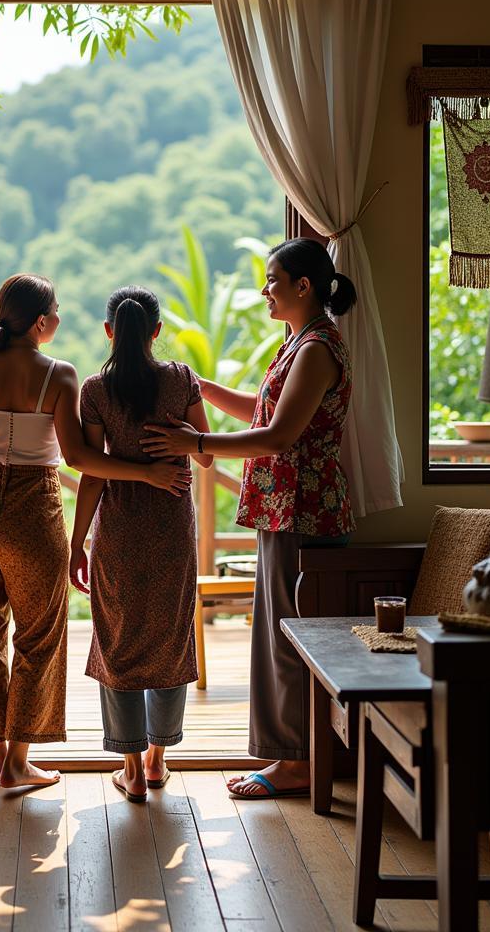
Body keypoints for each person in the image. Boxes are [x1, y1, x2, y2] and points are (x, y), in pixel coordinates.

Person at [0, 273, 193, 790]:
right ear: (40, 323)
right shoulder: (60, 375)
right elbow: (82, 459)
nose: (59, 318)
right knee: (38, 638)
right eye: (55, 311)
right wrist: (149, 470)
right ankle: (18, 760)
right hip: (33, 510)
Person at [140, 238, 357, 800]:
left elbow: (279, 436)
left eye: (272, 280)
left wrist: (199, 440)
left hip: (304, 508)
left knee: (289, 636)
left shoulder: (316, 349)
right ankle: (292, 756)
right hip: (286, 507)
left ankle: (297, 764)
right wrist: (200, 388)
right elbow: (263, 411)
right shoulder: (299, 343)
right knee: (280, 629)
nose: (265, 290)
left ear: (302, 286)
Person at [70, 286, 213, 803]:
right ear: (156, 332)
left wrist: (76, 541)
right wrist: (177, 437)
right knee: (171, 636)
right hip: (172, 528)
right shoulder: (179, 379)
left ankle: (130, 767)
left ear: (109, 331)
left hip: (119, 530)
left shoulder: (95, 390)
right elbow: (207, 456)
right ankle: (157, 761)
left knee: (119, 639)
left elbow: (89, 472)